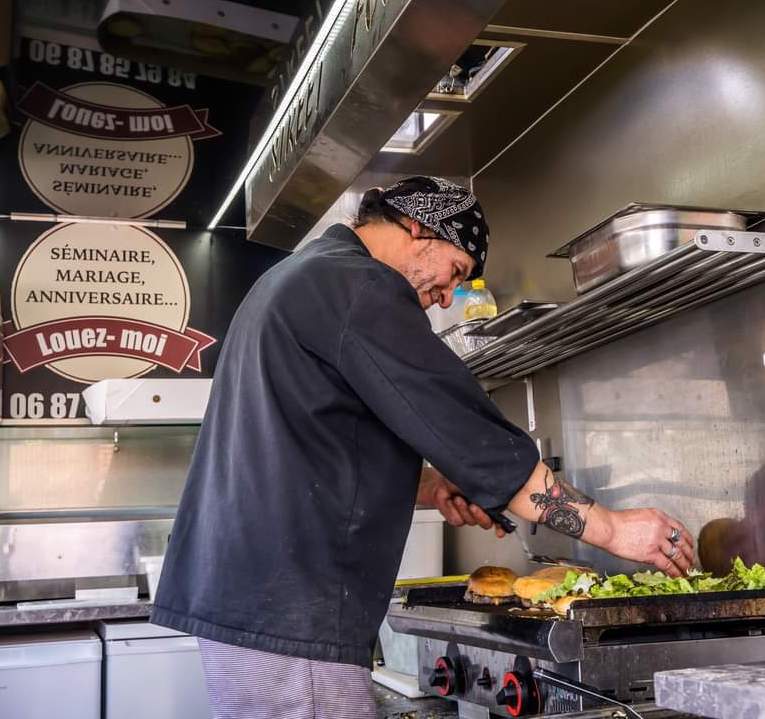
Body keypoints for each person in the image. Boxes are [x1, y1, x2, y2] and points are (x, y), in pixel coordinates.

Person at [151, 176, 694, 718]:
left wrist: (434, 487)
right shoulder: (359, 287)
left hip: (255, 599)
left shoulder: (301, 278)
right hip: (289, 610)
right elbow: (473, 441)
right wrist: (614, 529)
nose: (448, 296)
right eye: (456, 271)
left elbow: (314, 443)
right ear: (419, 227)